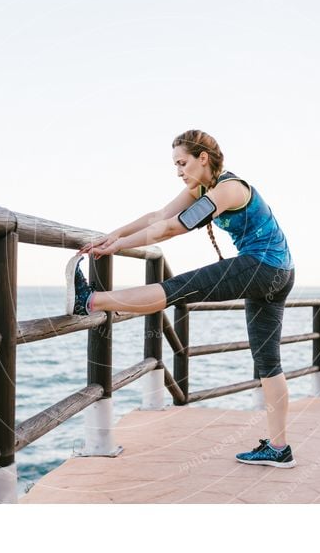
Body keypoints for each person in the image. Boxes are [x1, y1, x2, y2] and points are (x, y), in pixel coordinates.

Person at [68, 129, 297, 468]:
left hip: (262, 266)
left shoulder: (230, 189)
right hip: (278, 271)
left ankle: (90, 301)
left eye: (182, 163)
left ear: (202, 158)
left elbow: (174, 228)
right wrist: (114, 234)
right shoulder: (201, 188)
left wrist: (117, 247)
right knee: (268, 363)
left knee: (178, 288)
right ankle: (279, 450)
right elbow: (157, 218)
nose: (178, 171)